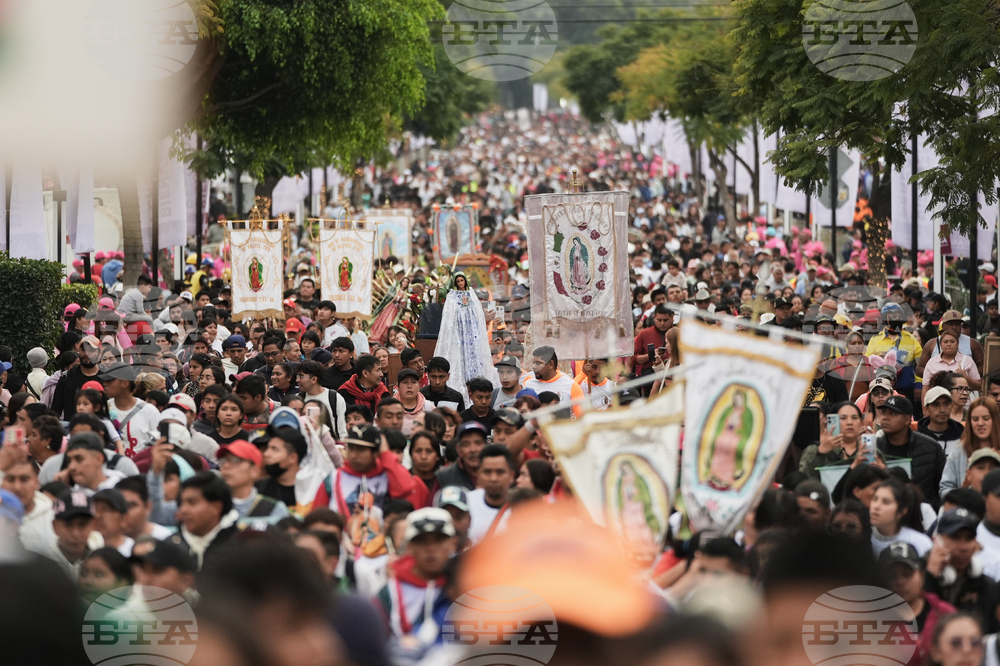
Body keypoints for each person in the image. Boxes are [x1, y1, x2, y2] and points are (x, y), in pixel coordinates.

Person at [374, 507, 456, 658]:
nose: (431, 548)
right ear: (409, 546)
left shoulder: (465, 587)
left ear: (452, 543)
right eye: (422, 541)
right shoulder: (389, 592)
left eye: (439, 540)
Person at [879, 542, 956, 666]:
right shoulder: (873, 622)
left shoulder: (945, 614)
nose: (900, 581)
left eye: (907, 574)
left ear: (922, 575)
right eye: (892, 576)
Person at [924, 509, 1000, 633]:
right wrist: (930, 578)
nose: (963, 547)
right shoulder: (917, 577)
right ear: (938, 540)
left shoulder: (986, 586)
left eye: (969, 538)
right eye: (955, 537)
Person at [433, 272, 501, 406]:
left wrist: (468, 308)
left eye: (461, 280)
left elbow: (477, 315)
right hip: (458, 334)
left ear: (465, 281)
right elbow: (450, 317)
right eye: (457, 281)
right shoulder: (452, 296)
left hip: (472, 334)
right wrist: (463, 308)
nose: (460, 283)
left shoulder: (472, 295)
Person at [328, 424, 417, 516]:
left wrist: (385, 454)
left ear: (375, 452)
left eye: (361, 450)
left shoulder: (387, 475)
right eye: (351, 448)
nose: (354, 455)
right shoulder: (333, 478)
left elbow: (406, 488)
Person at [875, 396, 946, 507]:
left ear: (907, 419)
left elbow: (943, 487)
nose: (885, 417)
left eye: (893, 413)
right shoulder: (874, 449)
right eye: (884, 413)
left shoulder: (931, 448)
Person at [172, 470, 238, 570]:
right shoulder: (172, 547)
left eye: (192, 502)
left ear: (216, 507)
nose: (183, 510)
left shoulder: (241, 551)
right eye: (182, 503)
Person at [217, 440, 289, 531]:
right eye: (223, 460)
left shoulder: (274, 510)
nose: (226, 466)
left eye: (235, 460)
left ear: (254, 471)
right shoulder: (211, 506)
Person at [940, 397, 1000, 499]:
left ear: (995, 420)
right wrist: (963, 499)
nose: (980, 423)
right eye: (975, 419)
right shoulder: (958, 451)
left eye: (986, 418)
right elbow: (945, 488)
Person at [0, 450, 55, 550]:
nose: (17, 487)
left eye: (24, 479)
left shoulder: (53, 522)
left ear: (37, 482)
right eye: (10, 479)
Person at [103, 362, 161, 456]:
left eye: (110, 380)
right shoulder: (103, 408)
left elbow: (158, 445)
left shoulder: (149, 411)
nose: (105, 384)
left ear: (125, 383)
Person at [799, 402, 865, 479]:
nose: (849, 422)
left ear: (860, 422)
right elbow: (803, 479)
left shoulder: (868, 449)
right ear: (832, 420)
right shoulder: (815, 449)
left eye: (854, 418)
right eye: (843, 418)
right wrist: (820, 453)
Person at [39, 489, 95, 580]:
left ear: (93, 525)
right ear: (55, 526)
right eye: (68, 525)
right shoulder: (41, 564)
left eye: (82, 524)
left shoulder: (102, 562)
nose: (75, 533)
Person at [869, 479, 932, 557]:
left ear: (902, 511)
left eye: (886, 502)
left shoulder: (920, 543)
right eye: (875, 499)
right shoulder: (861, 538)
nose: (876, 506)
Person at [466, 444, 515, 544]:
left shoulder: (523, 508)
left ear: (511, 476)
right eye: (487, 472)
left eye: (500, 472)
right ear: (478, 475)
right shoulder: (466, 504)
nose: (493, 478)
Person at [523, 346, 584, 418]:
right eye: (533, 363)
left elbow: (583, 418)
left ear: (551, 364)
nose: (533, 366)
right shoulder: (527, 385)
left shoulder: (571, 385)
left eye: (538, 363)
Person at [51, 336, 102, 420]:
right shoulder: (66, 377)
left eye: (91, 350)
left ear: (100, 353)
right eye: (83, 350)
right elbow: (55, 410)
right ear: (78, 351)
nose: (86, 354)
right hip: (72, 429)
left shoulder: (107, 378)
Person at [59, 433, 126, 496]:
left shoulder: (126, 490)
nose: (71, 467)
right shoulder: (68, 495)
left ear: (99, 459)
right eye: (69, 461)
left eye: (79, 459)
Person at [298, 360, 348, 440]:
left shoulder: (334, 398)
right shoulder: (298, 399)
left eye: (301, 376)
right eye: (298, 376)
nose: (297, 380)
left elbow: (342, 430)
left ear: (314, 379)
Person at [113, 476, 173, 541]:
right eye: (119, 505)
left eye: (131, 506)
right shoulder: (105, 540)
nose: (125, 512)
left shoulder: (166, 541)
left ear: (147, 507)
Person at [436, 421, 487, 491]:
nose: (473, 449)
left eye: (478, 443)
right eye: (466, 444)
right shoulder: (443, 477)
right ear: (458, 449)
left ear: (486, 446)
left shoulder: (498, 472)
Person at [919, 386, 965, 458]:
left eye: (946, 404)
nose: (942, 410)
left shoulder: (963, 436)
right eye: (936, 405)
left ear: (952, 406)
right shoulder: (915, 439)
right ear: (926, 409)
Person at [633, 304, 671, 381]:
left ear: (672, 318)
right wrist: (650, 355)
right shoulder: (644, 334)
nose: (662, 323)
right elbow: (634, 359)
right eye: (659, 320)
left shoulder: (677, 333)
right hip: (648, 378)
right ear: (654, 318)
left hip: (671, 377)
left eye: (665, 320)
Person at [91, 488, 134, 556]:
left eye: (105, 509)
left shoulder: (133, 552)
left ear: (124, 519)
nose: (98, 515)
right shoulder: (83, 550)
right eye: (95, 510)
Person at [409, 430, 442, 507]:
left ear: (437, 456)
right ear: (411, 454)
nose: (423, 457)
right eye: (418, 451)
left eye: (429, 451)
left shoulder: (443, 481)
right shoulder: (403, 481)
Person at [394, 369, 426, 437]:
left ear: (419, 386)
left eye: (414, 382)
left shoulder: (428, 408)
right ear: (397, 386)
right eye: (405, 382)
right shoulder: (388, 407)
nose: (409, 386)